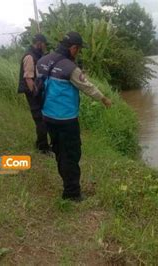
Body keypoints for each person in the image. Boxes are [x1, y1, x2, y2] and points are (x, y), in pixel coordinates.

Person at [36, 32, 112, 202]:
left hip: (47, 116)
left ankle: (67, 184)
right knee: (71, 154)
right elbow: (87, 87)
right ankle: (72, 193)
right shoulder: (70, 68)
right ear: (73, 48)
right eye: (78, 50)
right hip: (65, 119)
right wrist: (104, 99)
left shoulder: (42, 61)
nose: (77, 53)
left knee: (60, 152)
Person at [18, 34, 51, 153]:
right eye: (44, 44)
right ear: (39, 43)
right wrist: (35, 93)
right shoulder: (29, 57)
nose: (44, 47)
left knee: (43, 118)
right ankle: (43, 148)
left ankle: (40, 143)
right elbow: (28, 78)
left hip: (36, 91)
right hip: (32, 92)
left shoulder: (36, 54)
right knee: (40, 119)